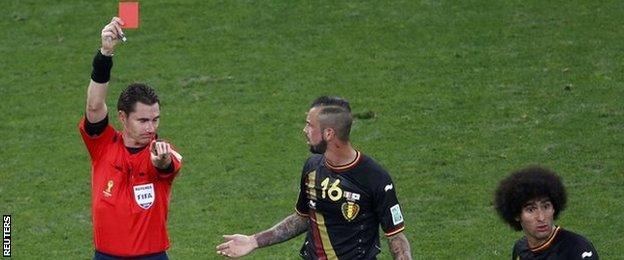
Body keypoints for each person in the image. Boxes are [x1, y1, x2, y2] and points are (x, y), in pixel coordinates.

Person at [216, 96, 412, 259]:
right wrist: (254, 241)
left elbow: (396, 237)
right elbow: (302, 218)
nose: (304, 130)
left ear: (328, 133)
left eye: (310, 125)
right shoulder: (313, 167)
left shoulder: (375, 178)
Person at [79, 17, 183, 259]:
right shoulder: (103, 145)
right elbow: (94, 106)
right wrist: (105, 54)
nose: (151, 127)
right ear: (123, 118)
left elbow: (168, 165)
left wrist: (162, 163)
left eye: (155, 119)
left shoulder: (163, 151)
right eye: (143, 120)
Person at [494, 166, 598, 259]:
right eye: (531, 210)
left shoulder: (577, 249)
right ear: (516, 215)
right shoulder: (520, 250)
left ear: (554, 208)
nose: (541, 217)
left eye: (545, 206)